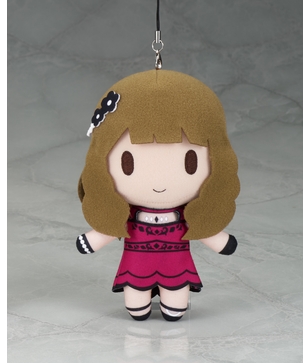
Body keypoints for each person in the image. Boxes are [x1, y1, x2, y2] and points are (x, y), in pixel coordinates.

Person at [76, 70, 240, 321]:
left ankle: (172, 306)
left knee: (175, 303)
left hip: (176, 268)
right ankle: (140, 306)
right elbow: (111, 227)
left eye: (190, 163)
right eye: (127, 163)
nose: (159, 182)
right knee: (136, 305)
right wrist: (93, 239)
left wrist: (220, 240)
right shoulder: (126, 213)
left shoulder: (188, 214)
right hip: (136, 268)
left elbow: (202, 227)